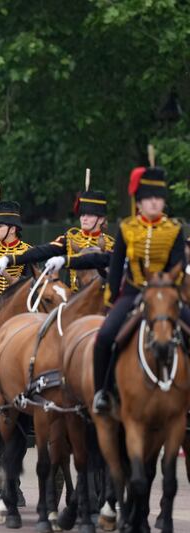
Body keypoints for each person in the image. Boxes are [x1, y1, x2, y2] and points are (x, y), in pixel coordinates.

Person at [92, 165, 186, 414]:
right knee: (104, 338)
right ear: (140, 201)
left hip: (166, 293)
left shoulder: (174, 229)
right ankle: (102, 392)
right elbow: (115, 266)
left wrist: (168, 292)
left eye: (158, 198)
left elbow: (178, 264)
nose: (154, 203)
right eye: (149, 198)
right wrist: (111, 299)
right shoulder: (127, 228)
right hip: (134, 292)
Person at [0, 184, 115, 291]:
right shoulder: (70, 238)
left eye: (90, 215)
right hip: (73, 299)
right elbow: (42, 251)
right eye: (82, 214)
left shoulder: (112, 244)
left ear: (102, 219)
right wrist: (9, 259)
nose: (84, 218)